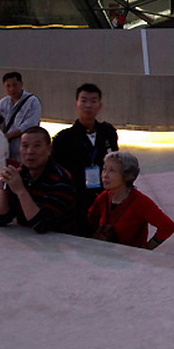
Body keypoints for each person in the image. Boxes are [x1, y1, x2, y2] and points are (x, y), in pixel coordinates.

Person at [52, 83, 119, 235]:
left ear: (100, 105)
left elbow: (115, 162)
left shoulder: (108, 132)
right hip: (77, 199)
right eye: (83, 100)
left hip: (104, 196)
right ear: (76, 103)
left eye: (93, 101)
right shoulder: (64, 138)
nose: (88, 105)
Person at [0, 126, 77, 234]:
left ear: (49, 149)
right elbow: (0, 219)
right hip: (25, 238)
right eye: (25, 146)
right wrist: (3, 188)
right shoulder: (20, 174)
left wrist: (21, 191)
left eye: (37, 146)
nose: (30, 152)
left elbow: (41, 225)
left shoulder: (60, 180)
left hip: (59, 240)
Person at [86, 150, 174, 249]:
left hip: (131, 257)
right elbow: (91, 218)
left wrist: (147, 248)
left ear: (127, 175)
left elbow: (167, 227)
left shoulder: (140, 202)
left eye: (112, 170)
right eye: (104, 169)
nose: (105, 175)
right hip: (105, 255)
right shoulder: (104, 197)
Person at [0, 71, 41, 161]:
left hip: (24, 147)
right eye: (8, 86)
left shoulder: (32, 101)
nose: (12, 89)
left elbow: (29, 125)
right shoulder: (3, 102)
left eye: (14, 85)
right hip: (6, 148)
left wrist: (8, 136)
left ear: (21, 84)